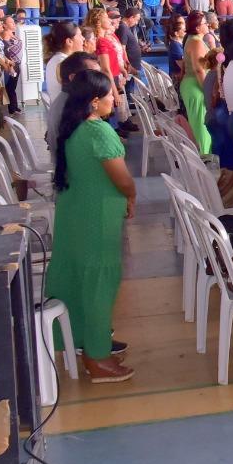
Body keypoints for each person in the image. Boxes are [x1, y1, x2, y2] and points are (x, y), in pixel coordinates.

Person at [48, 68, 136, 384]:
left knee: (79, 282)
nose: (115, 99)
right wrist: (131, 194)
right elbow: (121, 178)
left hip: (76, 212)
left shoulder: (72, 128)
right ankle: (97, 357)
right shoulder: (98, 132)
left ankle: (83, 345)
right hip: (96, 216)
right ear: (95, 102)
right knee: (100, 284)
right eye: (110, 95)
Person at [179, 34, 213, 154]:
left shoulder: (190, 39)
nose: (207, 25)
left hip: (192, 85)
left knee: (198, 123)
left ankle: (203, 155)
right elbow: (199, 70)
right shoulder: (196, 42)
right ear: (198, 27)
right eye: (204, 23)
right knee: (201, 125)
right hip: (196, 87)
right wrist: (206, 90)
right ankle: (204, 157)